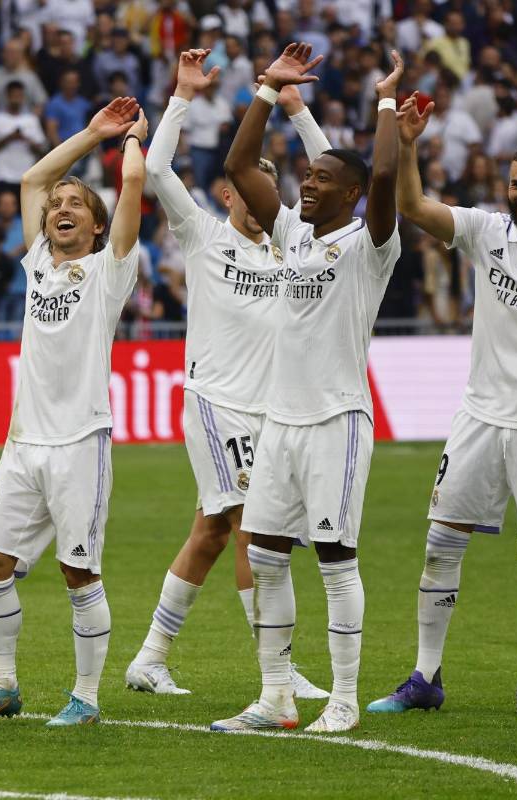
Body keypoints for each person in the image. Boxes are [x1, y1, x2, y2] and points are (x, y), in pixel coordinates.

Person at [124, 48, 332, 700]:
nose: (261, 194)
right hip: (218, 402)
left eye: (271, 186)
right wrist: (182, 95)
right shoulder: (203, 235)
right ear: (228, 192)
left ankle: (150, 657)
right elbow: (155, 170)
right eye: (250, 185)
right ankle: (279, 670)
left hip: (273, 409)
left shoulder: (294, 244)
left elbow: (339, 182)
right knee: (252, 529)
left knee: (212, 532)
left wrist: (298, 112)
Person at [210, 44, 402, 734]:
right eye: (306, 175)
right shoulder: (291, 232)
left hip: (336, 421)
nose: (307, 184)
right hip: (280, 423)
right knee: (263, 555)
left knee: (334, 557)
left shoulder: (370, 246)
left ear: (350, 197)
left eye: (322, 178)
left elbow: (383, 170)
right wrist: (266, 92)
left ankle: (345, 701)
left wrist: (383, 100)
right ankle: (276, 698)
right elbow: (236, 167)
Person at [365, 97, 517, 717]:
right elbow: (412, 207)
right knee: (439, 546)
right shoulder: (486, 231)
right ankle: (425, 676)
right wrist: (407, 144)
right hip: (479, 417)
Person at [0, 96, 146, 728]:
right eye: (57, 206)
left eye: (76, 206)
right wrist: (91, 133)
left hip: (79, 442)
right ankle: (3, 686)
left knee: (77, 569)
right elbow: (32, 179)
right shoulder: (38, 262)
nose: (60, 208)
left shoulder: (108, 272)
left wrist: (130, 142)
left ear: (95, 228)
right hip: (22, 443)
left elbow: (132, 189)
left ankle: (86, 698)